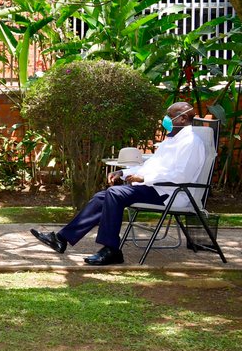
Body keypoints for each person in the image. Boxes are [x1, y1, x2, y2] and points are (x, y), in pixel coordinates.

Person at [31, 102, 209, 266]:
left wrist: (143, 179)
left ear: (183, 118)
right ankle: (61, 239)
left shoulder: (192, 143)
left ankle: (112, 250)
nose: (166, 120)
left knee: (115, 194)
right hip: (155, 188)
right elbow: (150, 165)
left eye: (170, 116)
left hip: (172, 193)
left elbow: (181, 175)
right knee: (102, 196)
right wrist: (123, 173)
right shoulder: (172, 140)